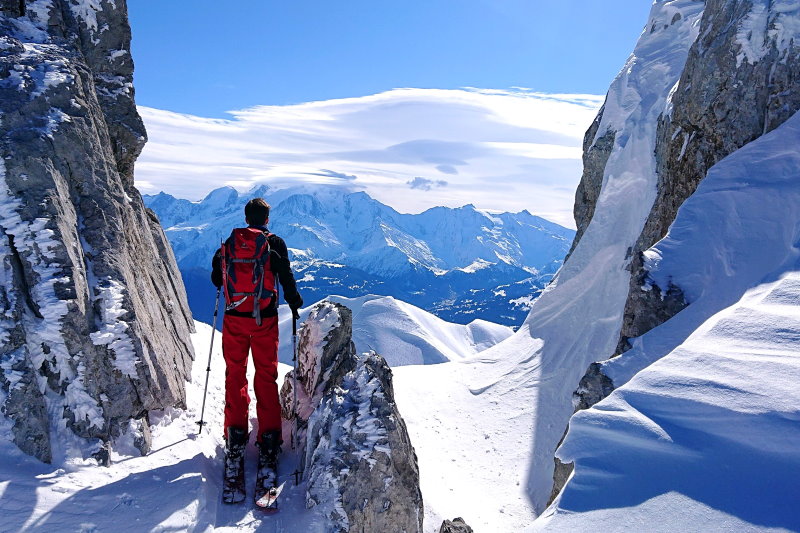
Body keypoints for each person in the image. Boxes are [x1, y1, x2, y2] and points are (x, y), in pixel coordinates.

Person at [211, 197, 303, 504]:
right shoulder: (273, 242)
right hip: (263, 321)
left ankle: (235, 439)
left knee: (234, 376)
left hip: (233, 321)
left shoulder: (229, 243)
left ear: (246, 216)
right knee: (265, 377)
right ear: (266, 218)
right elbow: (285, 275)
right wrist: (294, 301)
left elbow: (216, 278)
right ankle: (268, 443)